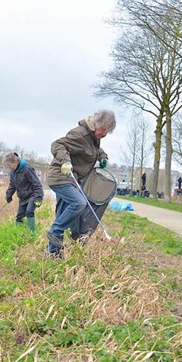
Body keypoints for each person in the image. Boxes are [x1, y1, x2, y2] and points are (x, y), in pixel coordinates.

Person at [45, 110, 116, 258]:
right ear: (96, 123)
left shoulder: (93, 137)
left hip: (73, 179)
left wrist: (103, 156)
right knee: (79, 203)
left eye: (107, 132)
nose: (104, 134)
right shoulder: (80, 134)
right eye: (103, 130)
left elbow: (94, 150)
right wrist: (65, 161)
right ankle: (55, 231)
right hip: (61, 176)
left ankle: (52, 253)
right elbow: (57, 145)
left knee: (61, 214)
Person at [4, 152, 44, 233]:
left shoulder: (27, 168)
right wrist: (8, 195)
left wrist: (38, 198)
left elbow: (36, 183)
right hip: (23, 197)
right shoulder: (13, 171)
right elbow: (12, 185)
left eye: (9, 165)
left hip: (32, 195)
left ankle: (32, 233)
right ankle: (18, 234)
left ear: (14, 162)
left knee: (29, 211)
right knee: (19, 217)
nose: (9, 168)